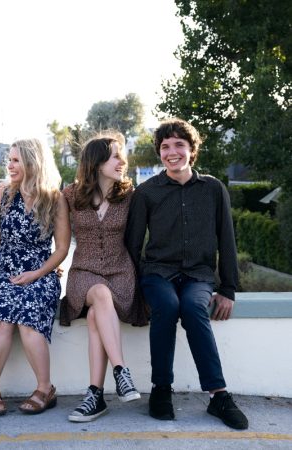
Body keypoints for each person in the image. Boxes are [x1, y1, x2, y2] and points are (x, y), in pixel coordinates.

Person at [125, 118, 249, 430]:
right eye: (165, 146)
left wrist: (229, 289)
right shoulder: (146, 192)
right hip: (157, 273)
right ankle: (161, 390)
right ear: (160, 153)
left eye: (179, 144)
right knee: (166, 306)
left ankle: (218, 395)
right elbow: (132, 245)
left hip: (199, 275)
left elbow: (227, 240)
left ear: (191, 150)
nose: (172, 152)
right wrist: (137, 286)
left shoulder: (213, 189)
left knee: (193, 307)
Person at [0, 138, 70, 416]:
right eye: (9, 160)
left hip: (41, 270)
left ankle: (45, 388)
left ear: (32, 162)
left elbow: (61, 248)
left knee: (27, 323)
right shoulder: (0, 193)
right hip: (5, 268)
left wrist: (37, 274)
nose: (10, 165)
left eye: (16, 160)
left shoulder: (55, 198)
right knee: (3, 323)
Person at [61, 133, 146, 423]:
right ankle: (122, 371)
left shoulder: (131, 196)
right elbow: (59, 242)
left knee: (99, 312)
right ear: (96, 163)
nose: (122, 161)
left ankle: (94, 395)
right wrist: (46, 269)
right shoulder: (70, 195)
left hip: (121, 272)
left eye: (122, 155)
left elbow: (141, 240)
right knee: (98, 293)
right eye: (115, 156)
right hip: (83, 273)